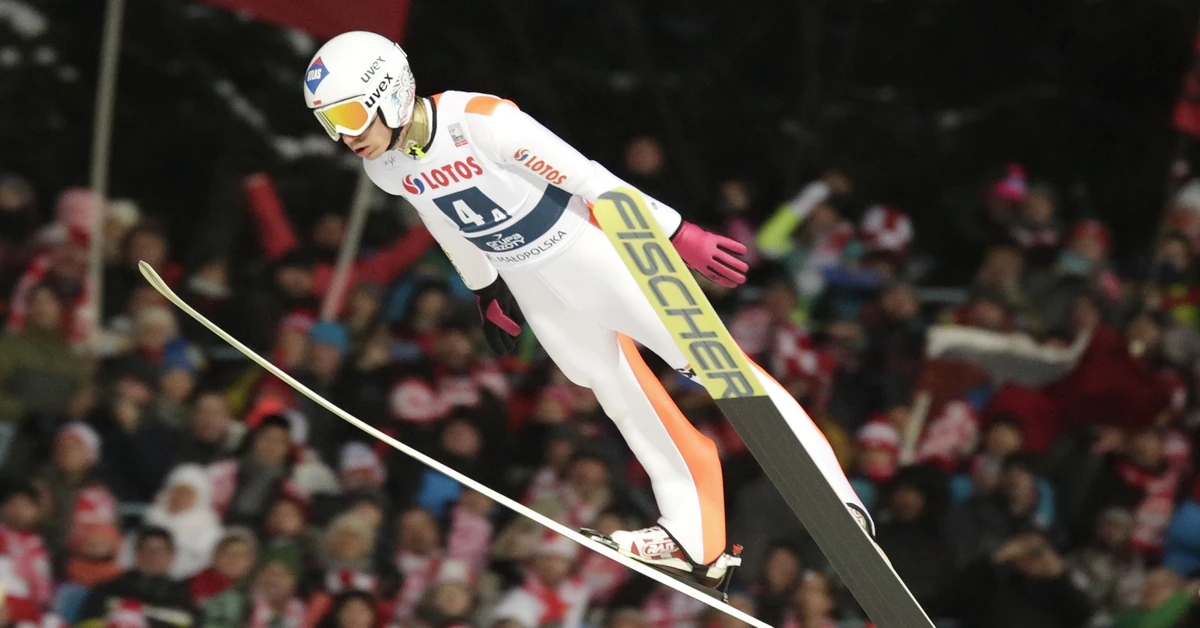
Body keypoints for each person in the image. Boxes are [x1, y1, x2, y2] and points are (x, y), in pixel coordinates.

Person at [300, 31, 870, 586]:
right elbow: (442, 221)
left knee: (713, 365)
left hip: (590, 253)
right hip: (532, 277)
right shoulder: (386, 166)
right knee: (605, 383)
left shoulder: (479, 121)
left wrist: (677, 232)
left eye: (348, 117)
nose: (343, 137)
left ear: (389, 92)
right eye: (329, 124)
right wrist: (485, 288)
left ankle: (836, 499)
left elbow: (594, 181)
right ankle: (695, 533)